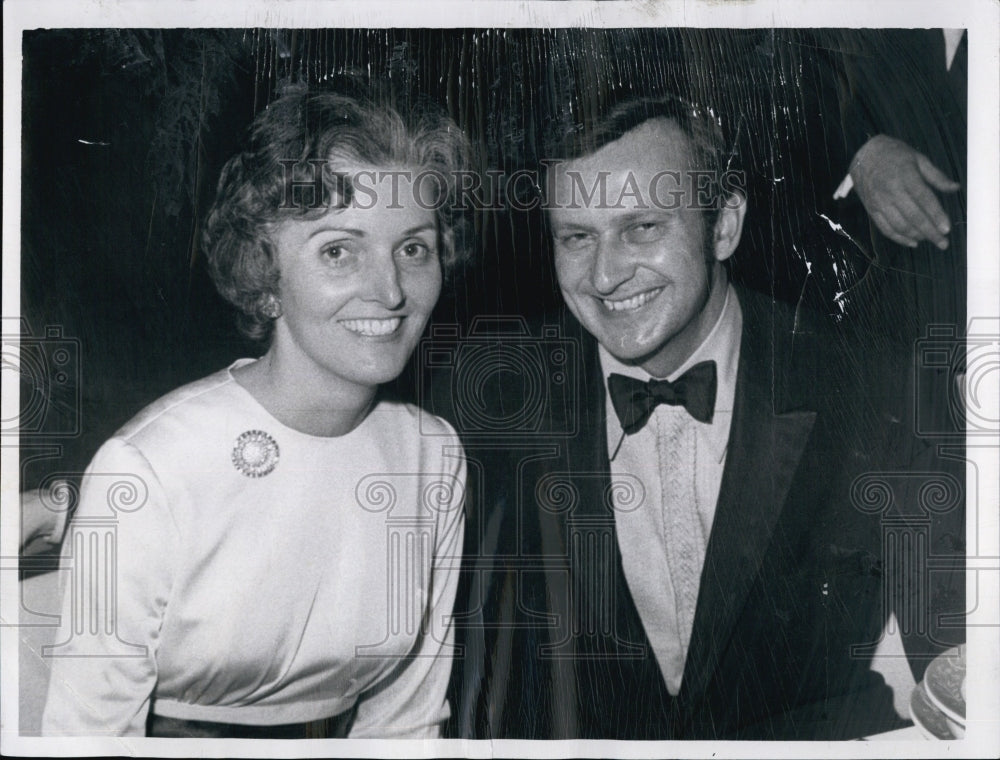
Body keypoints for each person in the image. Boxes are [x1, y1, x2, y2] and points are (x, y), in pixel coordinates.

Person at [448, 95, 964, 739]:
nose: (604, 277)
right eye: (577, 237)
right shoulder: (487, 394)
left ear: (723, 226)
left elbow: (962, 665)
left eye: (642, 227)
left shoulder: (879, 389)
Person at [40, 86, 469, 738]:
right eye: (338, 250)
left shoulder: (432, 455)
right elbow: (87, 738)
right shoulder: (152, 467)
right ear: (266, 277)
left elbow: (408, 723)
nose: (389, 292)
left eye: (412, 249)